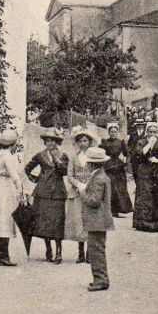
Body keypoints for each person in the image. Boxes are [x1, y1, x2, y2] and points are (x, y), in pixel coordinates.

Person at [25, 127, 68, 263]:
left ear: (57, 142)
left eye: (53, 141)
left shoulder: (63, 155)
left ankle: (59, 252)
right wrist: (37, 179)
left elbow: (65, 171)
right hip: (43, 193)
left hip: (58, 192)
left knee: (57, 222)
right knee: (44, 222)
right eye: (48, 141)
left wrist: (56, 160)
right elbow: (27, 168)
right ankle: (48, 249)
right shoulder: (40, 155)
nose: (50, 143)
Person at [78, 147, 114, 291]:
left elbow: (94, 201)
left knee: (96, 250)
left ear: (91, 164)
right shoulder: (100, 176)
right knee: (96, 249)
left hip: (97, 220)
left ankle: (101, 280)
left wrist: (82, 193)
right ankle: (100, 278)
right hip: (99, 220)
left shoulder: (98, 178)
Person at [0, 128, 22, 267]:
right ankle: (3, 255)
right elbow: (14, 175)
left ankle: (1, 254)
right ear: (13, 143)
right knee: (6, 220)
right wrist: (20, 190)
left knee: (1, 219)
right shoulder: (8, 157)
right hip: (6, 188)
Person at [65, 126, 95, 263]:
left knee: (89, 220)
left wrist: (87, 185)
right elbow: (69, 175)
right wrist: (78, 185)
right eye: (80, 141)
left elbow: (96, 173)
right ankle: (80, 252)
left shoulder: (93, 156)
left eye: (85, 141)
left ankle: (90, 252)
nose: (82, 144)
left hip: (90, 191)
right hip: (77, 192)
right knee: (78, 220)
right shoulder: (73, 157)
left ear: (89, 142)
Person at [132, 122, 158, 232]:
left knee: (156, 194)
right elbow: (139, 153)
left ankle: (156, 221)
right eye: (150, 132)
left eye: (154, 132)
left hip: (156, 172)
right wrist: (149, 144)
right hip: (144, 171)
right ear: (146, 133)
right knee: (145, 195)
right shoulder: (141, 142)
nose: (152, 134)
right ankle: (143, 222)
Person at [100, 123, 133, 217]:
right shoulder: (104, 142)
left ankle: (118, 209)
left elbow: (127, 154)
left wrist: (126, 163)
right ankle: (109, 210)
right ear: (108, 132)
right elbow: (101, 153)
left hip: (118, 166)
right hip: (107, 165)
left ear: (117, 132)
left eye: (115, 132)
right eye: (111, 132)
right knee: (109, 187)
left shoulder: (121, 142)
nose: (113, 133)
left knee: (119, 188)